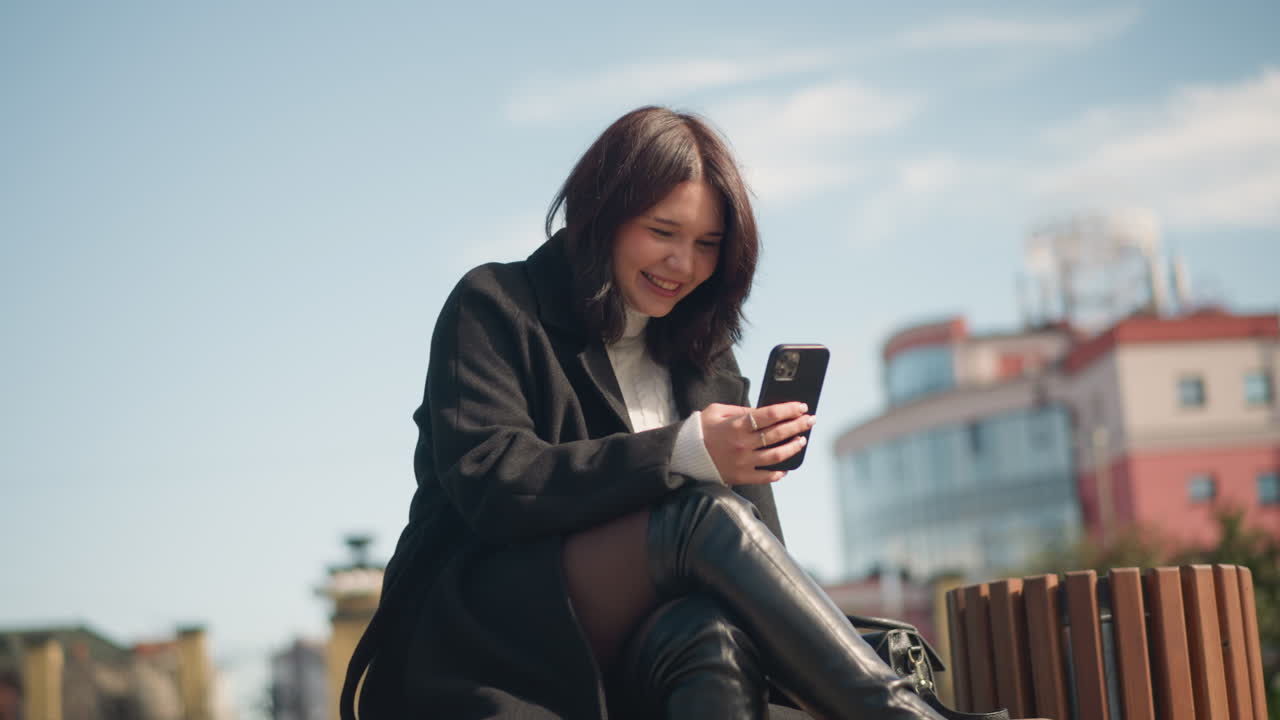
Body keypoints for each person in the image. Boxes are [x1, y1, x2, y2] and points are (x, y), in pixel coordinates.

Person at [342, 106, 945, 719]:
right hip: (490, 630)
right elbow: (493, 483)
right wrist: (684, 451)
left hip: (637, 648)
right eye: (663, 232)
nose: (683, 264)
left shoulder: (706, 355)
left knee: (710, 632)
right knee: (701, 517)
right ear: (601, 215)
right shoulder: (495, 304)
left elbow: (755, 548)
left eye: (707, 244)